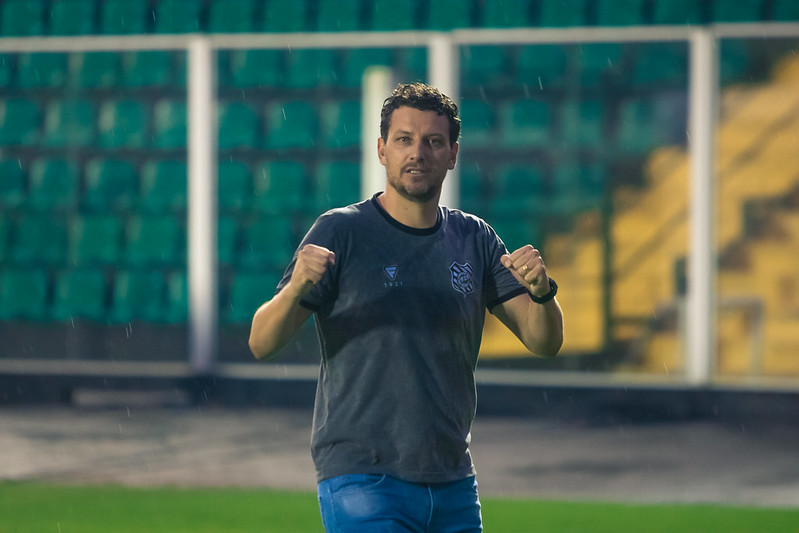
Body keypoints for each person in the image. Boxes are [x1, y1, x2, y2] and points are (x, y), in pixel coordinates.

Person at [249, 82, 563, 532]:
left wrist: (542, 293)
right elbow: (261, 342)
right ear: (382, 150)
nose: (417, 152)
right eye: (404, 139)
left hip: (453, 480)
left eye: (433, 141)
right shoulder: (341, 232)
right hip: (362, 475)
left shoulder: (475, 238)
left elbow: (544, 341)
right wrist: (296, 286)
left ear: (453, 154)